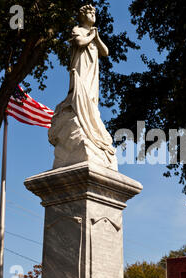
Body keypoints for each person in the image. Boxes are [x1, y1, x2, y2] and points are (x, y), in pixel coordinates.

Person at [49, 5, 117, 170]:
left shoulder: (93, 34)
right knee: (80, 95)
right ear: (81, 16)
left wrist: (96, 36)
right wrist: (91, 35)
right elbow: (80, 42)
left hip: (92, 74)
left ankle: (90, 123)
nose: (93, 14)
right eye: (89, 12)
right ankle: (79, 117)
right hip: (80, 71)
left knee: (91, 99)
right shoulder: (77, 29)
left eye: (94, 12)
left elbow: (105, 52)